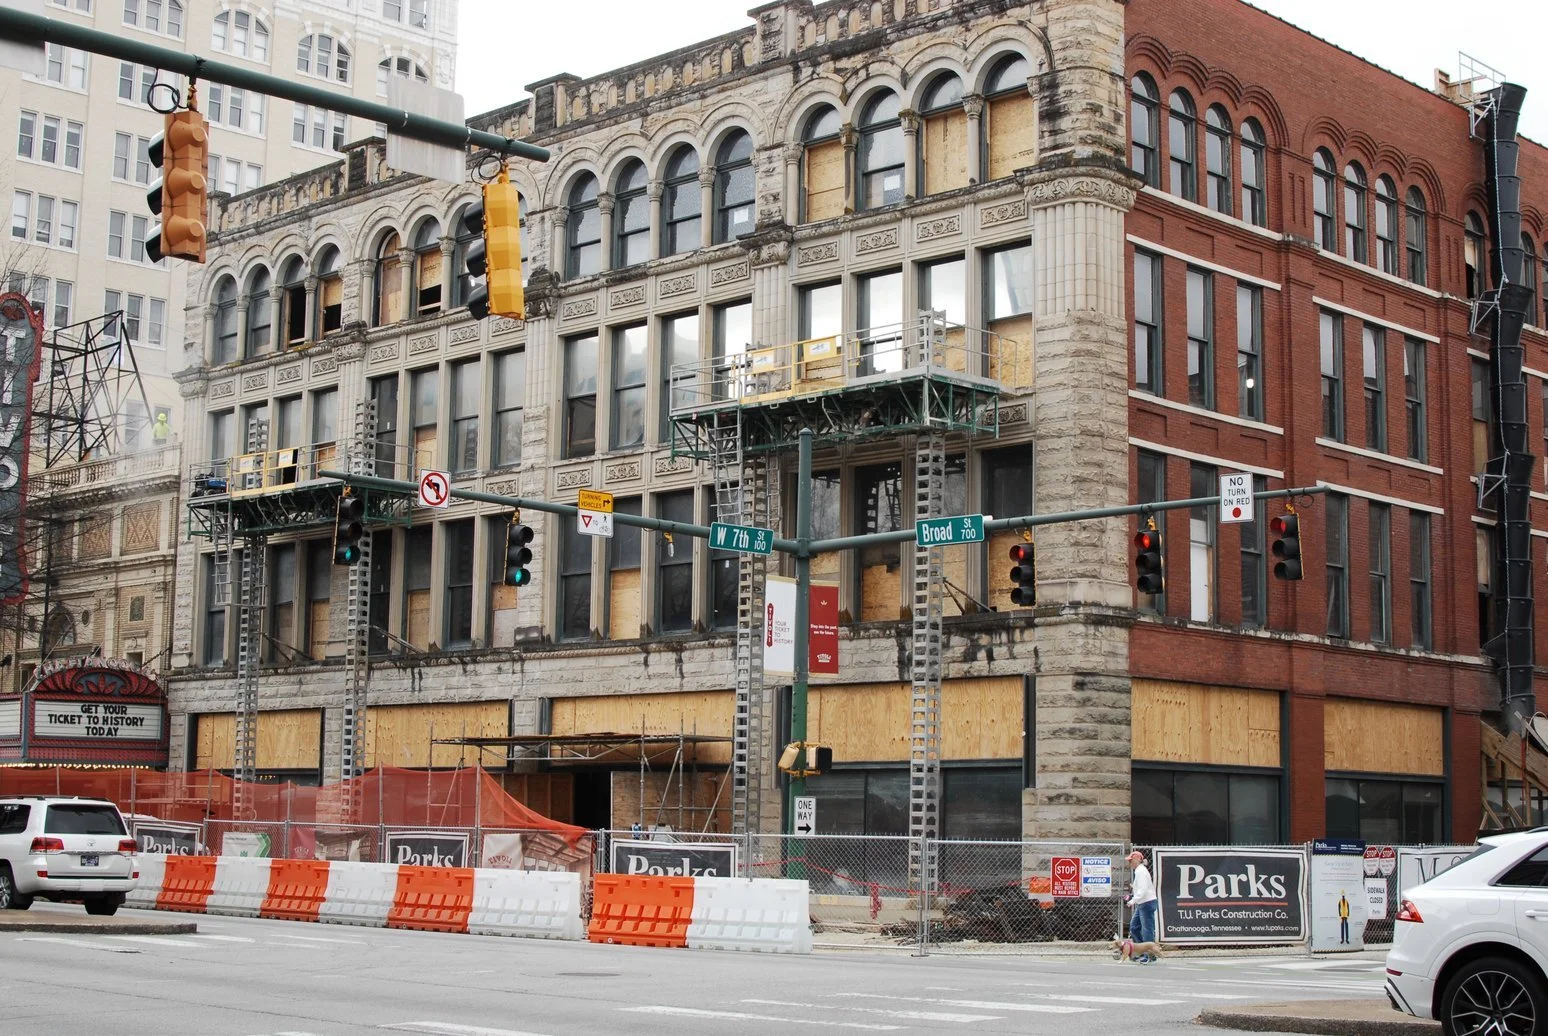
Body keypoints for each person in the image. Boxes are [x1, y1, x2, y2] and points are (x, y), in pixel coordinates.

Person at [1126, 849, 1158, 962]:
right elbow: (1141, 888)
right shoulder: (1140, 871)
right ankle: (1142, 951)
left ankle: (1149, 955)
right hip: (1143, 903)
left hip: (1146, 903)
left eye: (1131, 860)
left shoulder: (1141, 872)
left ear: (1137, 860)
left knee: (1147, 930)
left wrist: (1133, 900)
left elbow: (1143, 889)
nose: (1129, 863)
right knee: (1134, 927)